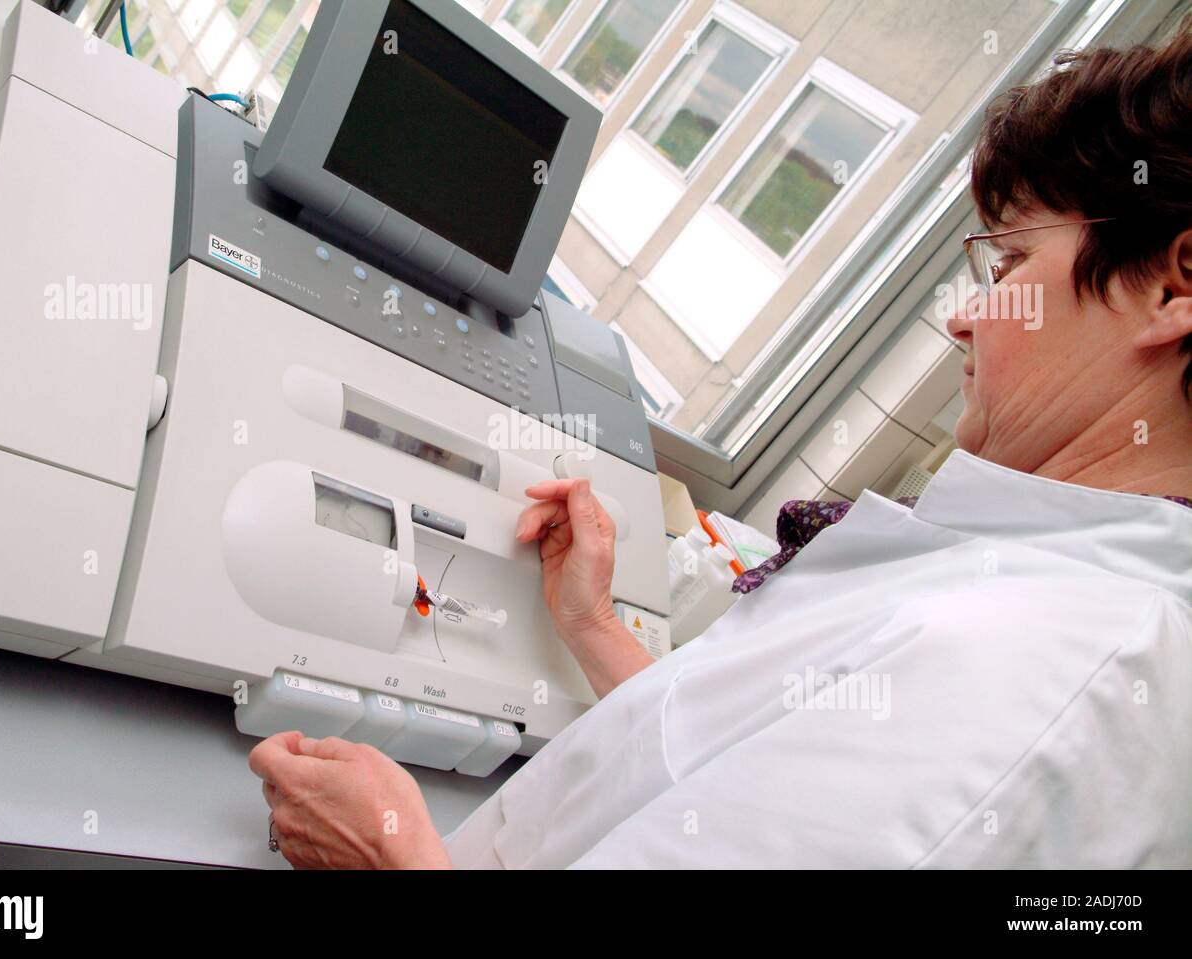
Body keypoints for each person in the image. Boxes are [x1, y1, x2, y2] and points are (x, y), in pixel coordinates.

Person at [249, 22, 1192, 869]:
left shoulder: (1040, 671)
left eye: (1014, 261)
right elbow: (729, 767)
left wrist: (388, 854)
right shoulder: (1043, 593)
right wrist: (592, 626)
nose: (967, 320)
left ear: (1174, 286)